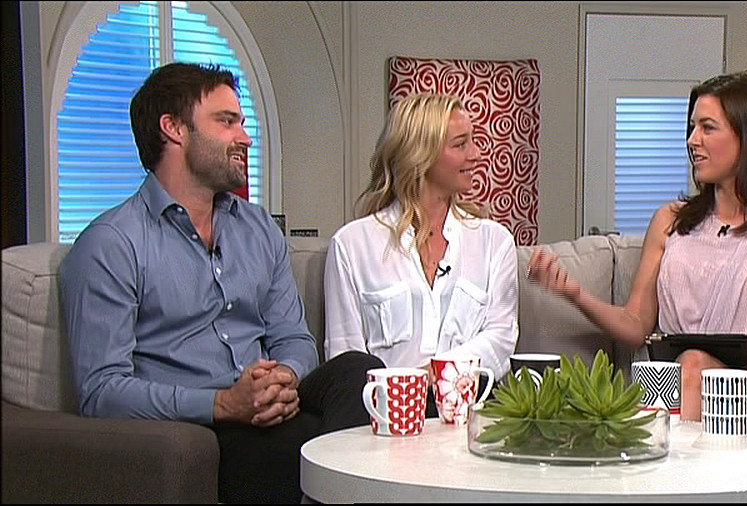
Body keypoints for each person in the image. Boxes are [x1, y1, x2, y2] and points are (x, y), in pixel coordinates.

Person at [59, 62, 384, 504]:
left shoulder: (258, 228)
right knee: (299, 451)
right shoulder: (112, 243)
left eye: (242, 123)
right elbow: (101, 391)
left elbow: (293, 337)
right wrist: (223, 404)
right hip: (204, 424)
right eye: (227, 121)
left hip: (270, 409)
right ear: (174, 129)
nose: (245, 138)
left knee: (358, 373)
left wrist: (283, 377)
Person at [526, 69, 747, 421]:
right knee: (686, 368)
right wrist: (574, 294)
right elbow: (635, 324)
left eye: (708, 127)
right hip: (667, 391)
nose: (692, 140)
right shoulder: (669, 220)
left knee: (695, 366)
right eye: (691, 127)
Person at [323, 93, 519, 416]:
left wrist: (435, 373)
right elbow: (345, 360)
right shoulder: (353, 245)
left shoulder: (494, 242)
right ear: (421, 155)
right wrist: (401, 395)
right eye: (461, 144)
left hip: (465, 415)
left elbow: (501, 339)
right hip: (381, 417)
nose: (476, 154)